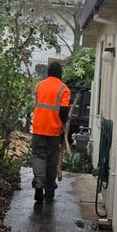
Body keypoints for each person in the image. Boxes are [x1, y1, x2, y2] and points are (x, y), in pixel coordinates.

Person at [31, 60, 71, 204]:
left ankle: (38, 184)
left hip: (38, 128)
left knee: (38, 156)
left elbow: (37, 103)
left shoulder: (39, 85)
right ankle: (48, 191)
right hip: (54, 131)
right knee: (51, 159)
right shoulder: (64, 89)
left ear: (48, 71)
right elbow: (63, 111)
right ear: (60, 72)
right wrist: (64, 124)